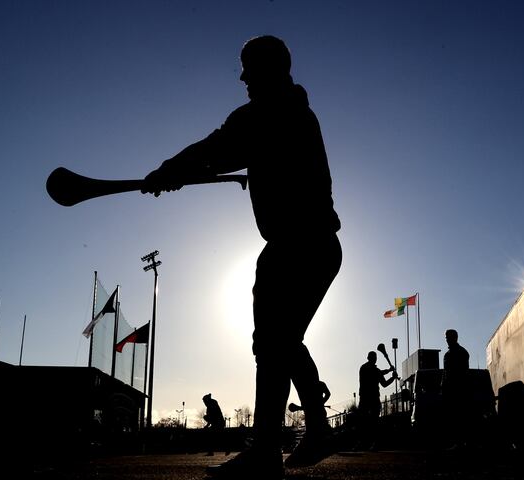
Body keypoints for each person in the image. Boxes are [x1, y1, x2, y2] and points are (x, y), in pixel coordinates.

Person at [142, 35, 342, 478]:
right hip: (315, 246)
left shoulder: (269, 112)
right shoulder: (295, 112)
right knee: (280, 340)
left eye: (248, 67)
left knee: (275, 342)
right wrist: (181, 170)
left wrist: (169, 170)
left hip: (298, 244)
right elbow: (223, 152)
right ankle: (313, 432)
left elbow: (216, 149)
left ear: (270, 68)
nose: (243, 77)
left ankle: (269, 447)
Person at [356, 351, 397, 450]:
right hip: (373, 398)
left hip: (364, 398)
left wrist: (388, 371)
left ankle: (362, 443)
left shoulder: (362, 368)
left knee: (363, 422)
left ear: (367, 358)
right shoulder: (375, 370)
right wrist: (393, 377)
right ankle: (374, 444)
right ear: (375, 359)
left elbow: (378, 372)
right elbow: (384, 383)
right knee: (374, 422)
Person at [441, 328, 470, 448]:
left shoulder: (456, 353)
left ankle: (460, 442)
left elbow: (460, 373)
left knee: (457, 416)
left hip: (456, 389)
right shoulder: (461, 352)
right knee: (456, 417)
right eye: (446, 338)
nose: (447, 340)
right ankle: (459, 441)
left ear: (454, 338)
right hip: (455, 389)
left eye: (448, 337)